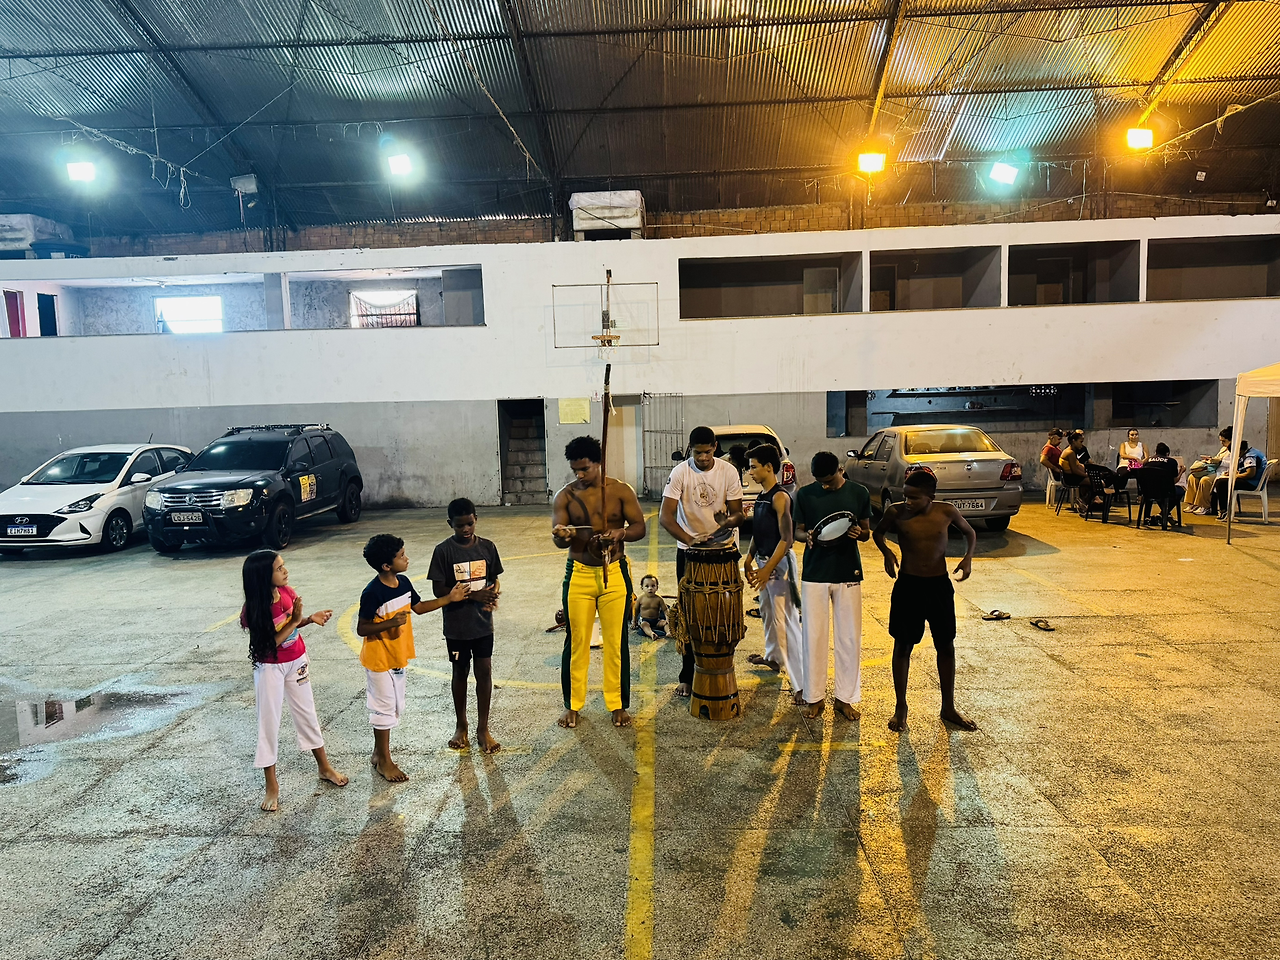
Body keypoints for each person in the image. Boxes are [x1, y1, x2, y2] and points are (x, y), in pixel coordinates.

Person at [241, 549, 348, 812]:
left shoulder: (287, 592)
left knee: (307, 713)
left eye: (283, 565)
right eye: (279, 568)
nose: (285, 571)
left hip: (297, 660)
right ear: (263, 576)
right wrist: (297, 621)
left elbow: (291, 623)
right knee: (269, 723)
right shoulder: (254, 609)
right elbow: (267, 645)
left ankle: (324, 767)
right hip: (270, 667)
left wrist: (309, 620)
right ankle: (272, 785)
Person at [552, 435, 647, 728]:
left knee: (615, 642)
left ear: (599, 463)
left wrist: (620, 533)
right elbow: (558, 537)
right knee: (577, 641)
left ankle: (617, 704)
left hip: (614, 572)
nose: (580, 475)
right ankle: (572, 704)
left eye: (585, 469)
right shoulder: (565, 496)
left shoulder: (620, 491)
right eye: (575, 470)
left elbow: (640, 527)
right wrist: (563, 535)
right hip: (579, 573)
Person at [358, 534, 470, 781]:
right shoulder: (372, 592)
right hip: (378, 659)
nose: (406, 558)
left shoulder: (404, 582)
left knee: (395, 707)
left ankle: (378, 753)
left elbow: (418, 607)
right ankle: (385, 762)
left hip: (397, 655)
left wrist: (449, 599)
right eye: (401, 556)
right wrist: (389, 623)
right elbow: (362, 628)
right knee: (383, 709)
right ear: (386, 565)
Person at [874, 469, 978, 732]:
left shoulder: (946, 511)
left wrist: (968, 558)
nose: (908, 502)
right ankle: (901, 706)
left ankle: (948, 707)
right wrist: (887, 553)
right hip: (908, 586)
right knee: (902, 645)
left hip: (938, 586)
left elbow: (969, 532)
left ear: (930, 497)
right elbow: (878, 533)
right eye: (905, 496)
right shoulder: (896, 512)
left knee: (946, 645)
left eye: (914, 498)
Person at [659, 426, 745, 698]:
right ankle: (687, 675)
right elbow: (665, 517)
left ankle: (722, 669)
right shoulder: (680, 473)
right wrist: (690, 539)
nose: (704, 458)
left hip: (724, 551)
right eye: (698, 453)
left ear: (715, 447)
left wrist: (728, 521)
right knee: (688, 614)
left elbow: (739, 514)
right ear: (690, 449)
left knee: (723, 614)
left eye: (708, 452)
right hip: (690, 552)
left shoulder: (728, 471)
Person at [791, 450, 871, 721]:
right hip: (815, 573)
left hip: (848, 571)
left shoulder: (859, 493)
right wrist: (806, 536)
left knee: (849, 638)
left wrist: (860, 533)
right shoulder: (804, 495)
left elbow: (866, 531)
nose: (824, 486)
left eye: (828, 480)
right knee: (813, 637)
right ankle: (814, 697)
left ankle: (844, 699)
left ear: (840, 469)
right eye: (819, 481)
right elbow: (798, 530)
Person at [428, 498, 504, 755]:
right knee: (460, 672)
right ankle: (461, 725)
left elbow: (494, 579)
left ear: (476, 519)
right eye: (459, 525)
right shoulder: (443, 551)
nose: (465, 529)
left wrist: (493, 594)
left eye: (469, 524)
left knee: (484, 671)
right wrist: (475, 595)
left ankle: (483, 728)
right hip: (457, 628)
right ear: (450, 523)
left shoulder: (488, 547)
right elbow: (439, 590)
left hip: (483, 626)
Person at [742, 444, 802, 700]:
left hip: (780, 565)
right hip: (765, 561)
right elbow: (759, 532)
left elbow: (787, 539)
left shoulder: (780, 497)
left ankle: (802, 685)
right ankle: (774, 658)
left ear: (769, 467)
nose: (750, 472)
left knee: (787, 621)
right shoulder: (761, 496)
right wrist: (749, 559)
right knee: (768, 613)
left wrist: (767, 569)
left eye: (754, 467)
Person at [1209, 439, 1267, 521]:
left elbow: (1250, 474)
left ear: (1239, 450)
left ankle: (1224, 511)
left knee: (1221, 483)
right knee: (1222, 481)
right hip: (1254, 480)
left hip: (1252, 483)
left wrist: (1234, 476)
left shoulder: (1249, 457)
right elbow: (1245, 469)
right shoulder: (1253, 451)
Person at [1186, 427, 1232, 515]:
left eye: (1224, 441)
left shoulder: (1235, 451)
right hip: (1214, 469)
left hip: (1223, 472)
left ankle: (1205, 506)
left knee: (1205, 480)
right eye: (1221, 441)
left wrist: (1220, 461)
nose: (1222, 443)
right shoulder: (1223, 449)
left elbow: (1234, 464)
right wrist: (1210, 460)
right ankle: (1192, 503)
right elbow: (1217, 458)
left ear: (1231, 440)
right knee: (1193, 477)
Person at [1138, 443, 1179, 525]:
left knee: (1154, 491)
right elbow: (1174, 481)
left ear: (1156, 452)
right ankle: (1164, 513)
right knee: (1180, 491)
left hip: (1147, 491)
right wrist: (1181, 471)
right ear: (1167, 453)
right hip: (1165, 491)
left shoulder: (1146, 461)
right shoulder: (1172, 462)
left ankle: (1149, 517)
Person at [1058, 430, 1092, 509]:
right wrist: (1086, 475)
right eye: (1080, 442)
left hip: (1072, 476)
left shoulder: (1071, 451)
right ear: (1074, 441)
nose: (1082, 444)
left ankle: (1086, 502)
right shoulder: (1070, 453)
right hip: (1070, 478)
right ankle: (1086, 503)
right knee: (1096, 483)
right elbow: (1074, 470)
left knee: (1093, 482)